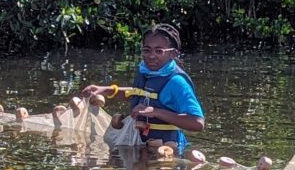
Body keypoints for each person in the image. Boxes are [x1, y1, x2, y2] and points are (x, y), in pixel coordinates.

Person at [82, 23, 205, 155]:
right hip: (141, 144)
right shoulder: (146, 71)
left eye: (159, 51)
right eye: (147, 50)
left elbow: (197, 123)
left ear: (173, 54)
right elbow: (139, 93)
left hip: (166, 151)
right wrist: (107, 90)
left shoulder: (177, 82)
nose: (151, 56)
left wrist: (156, 112)